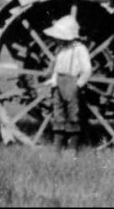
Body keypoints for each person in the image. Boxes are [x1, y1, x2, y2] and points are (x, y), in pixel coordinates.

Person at [42, 15, 92, 156]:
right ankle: (57, 148)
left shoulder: (80, 49)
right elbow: (57, 68)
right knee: (58, 114)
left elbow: (87, 70)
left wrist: (78, 84)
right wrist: (53, 80)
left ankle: (72, 148)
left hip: (72, 82)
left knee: (72, 114)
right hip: (59, 83)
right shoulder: (61, 49)